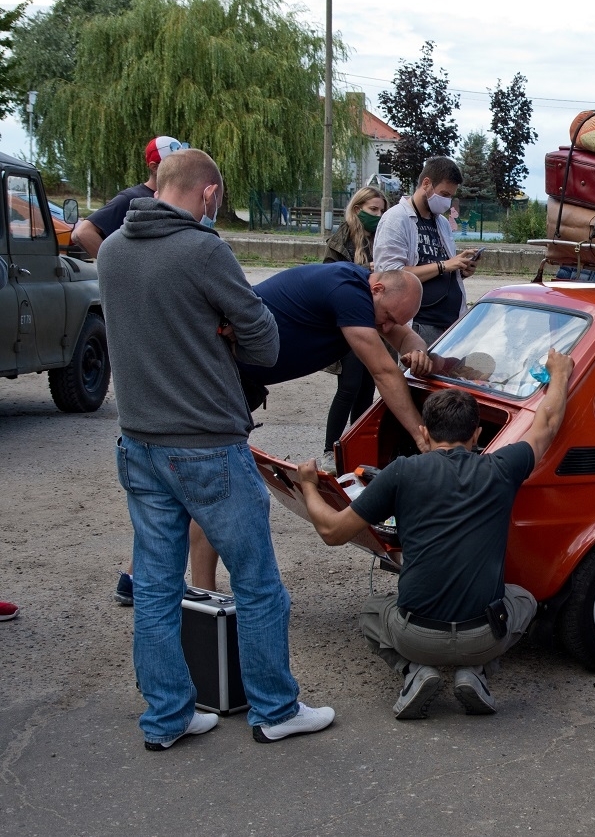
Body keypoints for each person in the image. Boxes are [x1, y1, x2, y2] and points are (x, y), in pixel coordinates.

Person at [97, 148, 334, 749]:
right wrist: (224, 330)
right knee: (257, 583)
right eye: (218, 199)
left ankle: (167, 717)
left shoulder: (112, 249)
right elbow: (266, 344)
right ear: (207, 193)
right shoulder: (205, 251)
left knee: (155, 587)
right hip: (206, 445)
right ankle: (275, 709)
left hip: (139, 442)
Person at [294, 352, 574, 719]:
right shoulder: (502, 468)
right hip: (483, 636)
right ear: (477, 434)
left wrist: (308, 485)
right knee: (523, 599)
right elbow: (547, 423)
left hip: (417, 637)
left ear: (425, 433)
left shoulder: (402, 472)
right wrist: (560, 374)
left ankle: (415, 671)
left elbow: (332, 531)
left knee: (372, 612)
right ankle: (474, 671)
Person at [186, 262, 436, 591]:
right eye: (387, 316)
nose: (386, 327)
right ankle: (203, 595)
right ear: (377, 289)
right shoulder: (349, 292)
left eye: (394, 321)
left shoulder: (365, 295)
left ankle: (140, 580)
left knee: (195, 481)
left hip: (229, 379)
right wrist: (421, 436)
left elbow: (404, 336)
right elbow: (383, 372)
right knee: (216, 484)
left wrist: (417, 351)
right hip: (217, 376)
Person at [373, 156, 480, 346]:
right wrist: (444, 265)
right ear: (426, 183)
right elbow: (389, 275)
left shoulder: (441, 223)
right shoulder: (396, 219)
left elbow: (440, 269)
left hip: (449, 324)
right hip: (420, 325)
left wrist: (460, 270)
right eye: (444, 194)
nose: (447, 202)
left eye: (450, 196)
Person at [322, 186, 390, 471]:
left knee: (366, 389)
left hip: (375, 323)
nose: (378, 215)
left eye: (382, 210)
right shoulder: (341, 240)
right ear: (357, 208)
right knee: (349, 386)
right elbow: (329, 278)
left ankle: (355, 449)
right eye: (373, 209)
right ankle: (329, 450)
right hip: (349, 323)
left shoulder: (383, 239)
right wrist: (363, 271)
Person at [72, 136, 188, 257]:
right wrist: (114, 265)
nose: (183, 171)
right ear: (154, 167)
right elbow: (83, 233)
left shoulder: (180, 198)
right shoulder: (132, 198)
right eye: (175, 166)